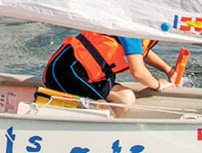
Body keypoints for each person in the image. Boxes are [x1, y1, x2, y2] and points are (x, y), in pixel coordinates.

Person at [42, 30, 176, 117]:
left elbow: (140, 52)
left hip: (94, 76)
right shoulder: (131, 30)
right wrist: (158, 85)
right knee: (104, 112)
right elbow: (138, 73)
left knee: (125, 98)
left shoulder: (139, 31)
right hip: (68, 70)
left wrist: (168, 70)